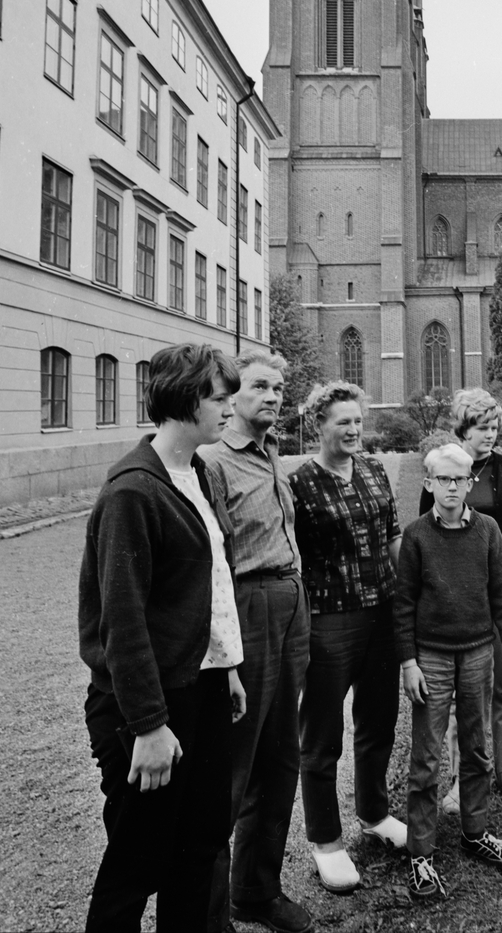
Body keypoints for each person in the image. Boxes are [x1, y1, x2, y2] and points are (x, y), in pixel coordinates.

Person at [79, 343, 246, 931]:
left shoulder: (196, 472)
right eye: (220, 398)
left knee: (197, 851)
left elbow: (209, 583)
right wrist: (149, 725)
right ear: (184, 399)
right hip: (146, 705)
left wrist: (224, 666)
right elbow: (120, 622)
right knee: (136, 863)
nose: (230, 408)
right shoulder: (133, 490)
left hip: (198, 688)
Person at [201, 350, 312, 933]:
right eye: (261, 387)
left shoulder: (272, 455)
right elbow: (210, 564)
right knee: (233, 766)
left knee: (280, 757)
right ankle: (210, 911)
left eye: (280, 388)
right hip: (248, 607)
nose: (273, 397)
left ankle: (257, 892)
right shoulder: (213, 463)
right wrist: (226, 654)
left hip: (291, 605)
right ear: (233, 396)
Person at [290, 381, 407, 895]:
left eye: (358, 420)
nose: (354, 429)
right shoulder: (299, 484)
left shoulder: (377, 471)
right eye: (343, 422)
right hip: (330, 620)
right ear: (320, 426)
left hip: (382, 614)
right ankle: (325, 840)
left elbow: (394, 537)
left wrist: (410, 598)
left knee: (378, 722)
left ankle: (374, 813)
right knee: (321, 737)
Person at [396, 443, 502, 903]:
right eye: (443, 479)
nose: (452, 487)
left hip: (476, 654)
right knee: (427, 756)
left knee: (476, 747)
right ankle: (421, 853)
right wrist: (408, 662)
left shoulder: (488, 530)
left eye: (461, 479)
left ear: (470, 482)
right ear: (429, 483)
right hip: (430, 657)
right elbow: (404, 605)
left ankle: (475, 830)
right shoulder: (415, 536)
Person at [419, 388, 502, 807]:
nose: (490, 435)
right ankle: (460, 779)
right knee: (461, 692)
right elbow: (427, 533)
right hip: (460, 594)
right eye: (482, 428)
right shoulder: (443, 470)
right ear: (463, 429)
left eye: (494, 427)